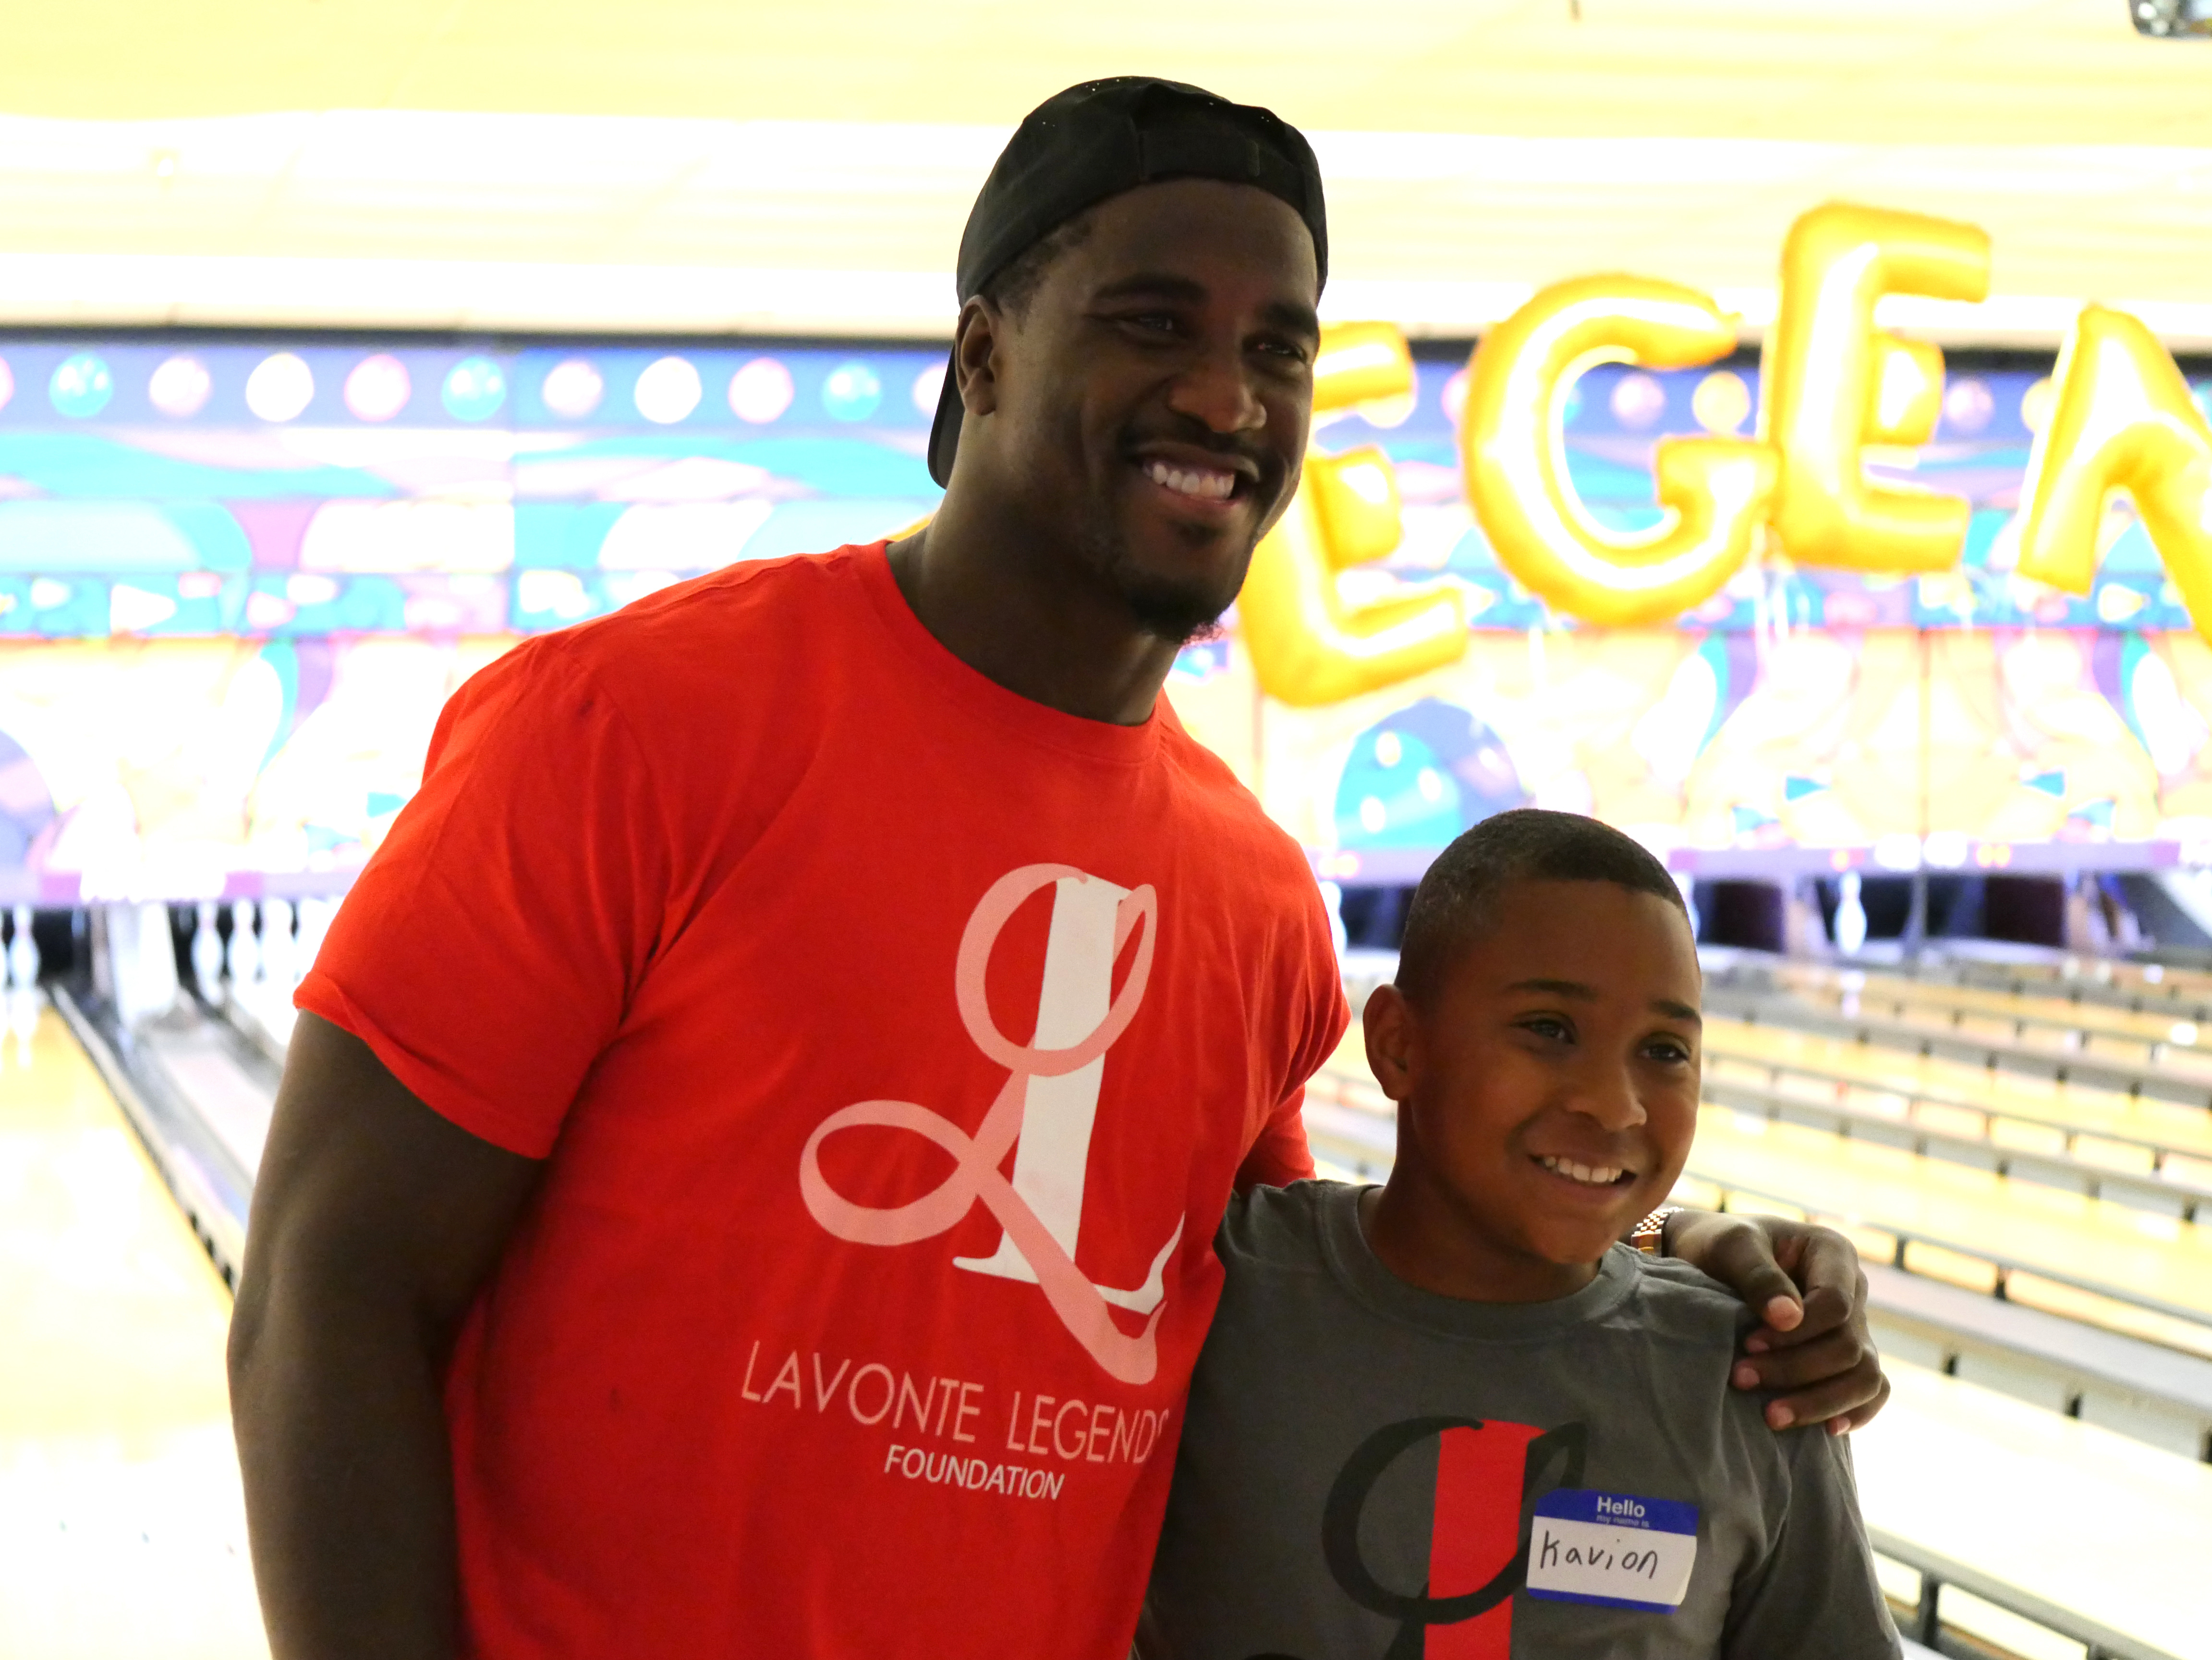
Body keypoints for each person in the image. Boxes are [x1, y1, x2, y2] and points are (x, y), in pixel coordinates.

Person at [226, 78, 1887, 1660]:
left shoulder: (1250, 902)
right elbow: (324, 1285)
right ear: (984, 353)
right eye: (1151, 321)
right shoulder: (631, 726)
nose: (1226, 397)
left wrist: (1670, 1267)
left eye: (1275, 349)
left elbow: (1318, 1325)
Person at [1140, 808, 1900, 1660]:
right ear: (1396, 1045)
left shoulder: (1756, 1376)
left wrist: (1665, 1233)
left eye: (1665, 1050)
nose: (1615, 1105)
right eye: (1549, 1029)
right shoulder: (1211, 1286)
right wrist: (1672, 1230)